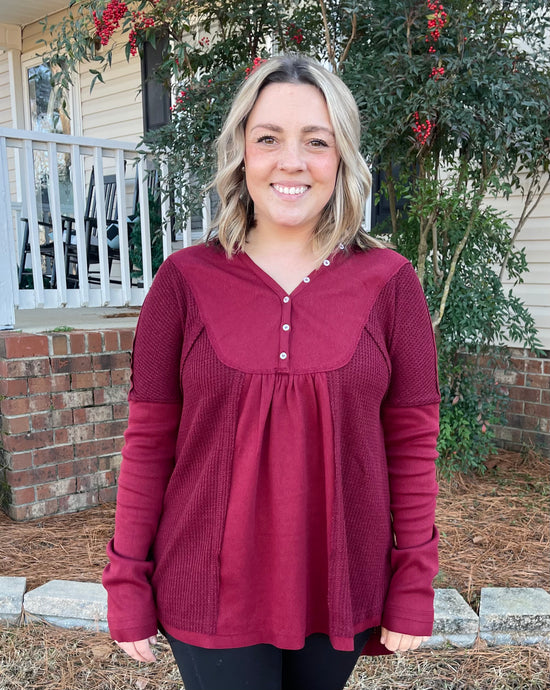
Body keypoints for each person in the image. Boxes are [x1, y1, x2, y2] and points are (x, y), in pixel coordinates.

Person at [102, 54, 440, 690]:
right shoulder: (183, 282)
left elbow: (413, 446)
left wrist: (414, 580)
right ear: (242, 154)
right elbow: (148, 446)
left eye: (316, 141)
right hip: (205, 583)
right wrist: (126, 582)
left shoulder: (391, 285)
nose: (292, 161)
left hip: (337, 579)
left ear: (341, 157)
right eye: (268, 139)